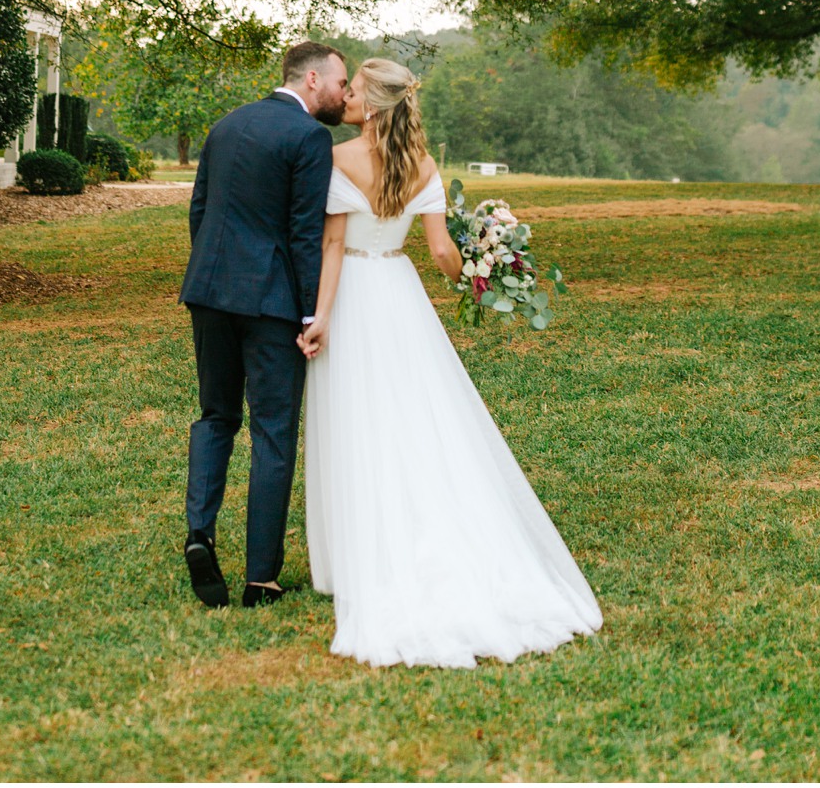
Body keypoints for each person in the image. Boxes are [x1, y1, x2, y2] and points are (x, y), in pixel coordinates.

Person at [301, 56, 603, 667]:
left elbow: (333, 244)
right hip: (400, 295)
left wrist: (322, 315)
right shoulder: (425, 166)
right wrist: (481, 276)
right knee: (416, 415)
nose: (347, 99)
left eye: (356, 91)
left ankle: (355, 557)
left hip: (356, 297)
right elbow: (441, 250)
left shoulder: (339, 160)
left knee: (358, 417)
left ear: (377, 105)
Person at [179, 39, 348, 610]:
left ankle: (200, 533)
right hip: (270, 303)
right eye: (339, 82)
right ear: (311, 81)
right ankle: (260, 578)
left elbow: (199, 210)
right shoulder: (309, 137)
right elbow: (305, 234)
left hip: (207, 291)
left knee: (215, 416)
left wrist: (211, 273)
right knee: (272, 433)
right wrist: (310, 313)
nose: (342, 94)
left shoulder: (226, 125)